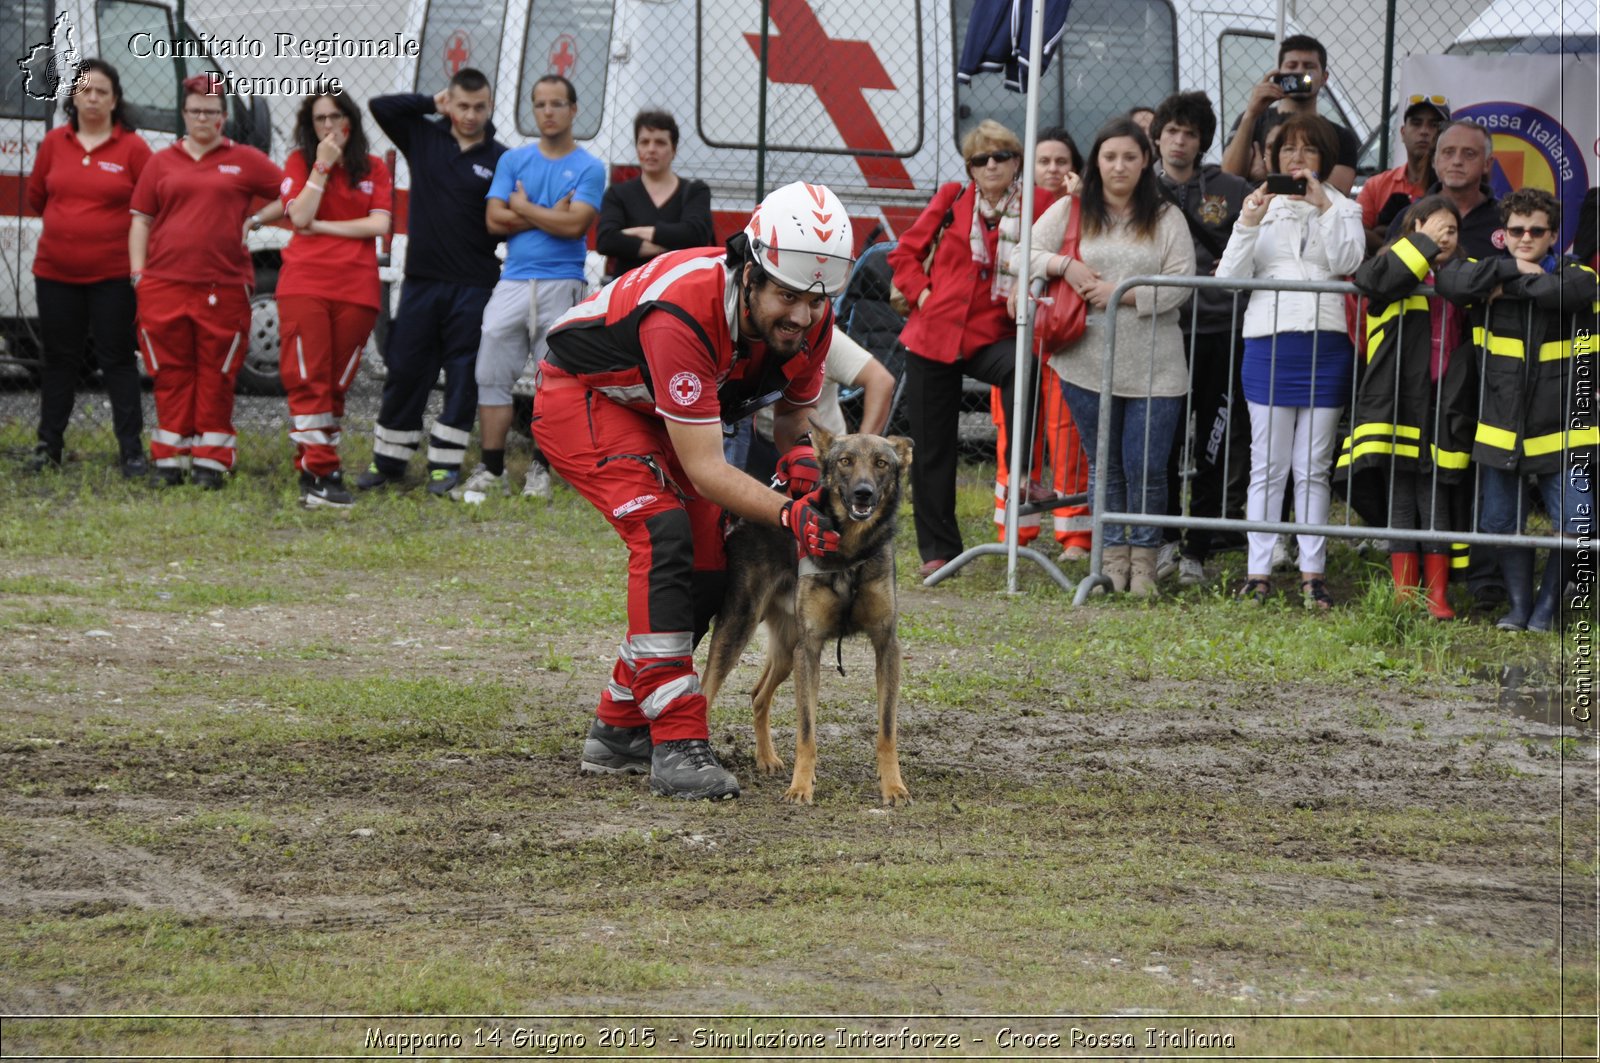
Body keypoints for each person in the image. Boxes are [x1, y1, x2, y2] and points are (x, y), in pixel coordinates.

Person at [536, 182, 854, 800]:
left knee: (714, 562)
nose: (801, 315)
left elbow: (792, 420)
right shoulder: (686, 309)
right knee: (663, 531)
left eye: (815, 300)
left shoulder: (812, 314)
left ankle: (622, 725)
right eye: (787, 295)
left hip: (661, 415)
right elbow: (708, 468)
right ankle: (677, 739)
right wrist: (793, 515)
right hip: (585, 396)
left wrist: (803, 469)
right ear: (750, 271)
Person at [1018, 117, 1195, 596]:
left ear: (1145, 163)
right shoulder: (1072, 209)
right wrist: (1064, 264)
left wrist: (1125, 292)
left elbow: (1181, 280)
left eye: (1130, 157)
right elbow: (1020, 254)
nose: (1119, 166)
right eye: (1110, 156)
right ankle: (1110, 559)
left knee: (1146, 467)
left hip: (1156, 365)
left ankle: (1144, 563)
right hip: (1086, 361)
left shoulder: (1165, 218)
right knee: (1105, 465)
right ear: (1096, 161)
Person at [888, 119, 1052, 578]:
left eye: (1001, 156)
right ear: (971, 168)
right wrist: (922, 296)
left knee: (1025, 368)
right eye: (981, 159)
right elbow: (903, 255)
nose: (992, 164)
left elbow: (1071, 232)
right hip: (933, 333)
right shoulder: (952, 199)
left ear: (1017, 162)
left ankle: (1022, 474)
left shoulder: (1039, 204)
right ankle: (939, 551)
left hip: (993, 333)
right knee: (933, 447)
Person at [1215, 113, 1364, 608]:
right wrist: (1247, 222)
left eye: (1308, 150)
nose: (1296, 158)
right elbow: (1230, 278)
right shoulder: (1257, 204)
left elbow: (1348, 263)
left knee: (1313, 466)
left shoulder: (1343, 205)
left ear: (1324, 159)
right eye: (1286, 150)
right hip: (1269, 342)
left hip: (1326, 345)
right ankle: (1258, 571)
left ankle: (1312, 573)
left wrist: (1324, 208)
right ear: (1271, 159)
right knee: (1268, 465)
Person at [1438, 188, 1599, 632]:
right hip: (1501, 426)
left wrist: (1508, 282)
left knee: (1575, 521)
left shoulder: (1578, 272)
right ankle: (1518, 609)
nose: (1525, 237)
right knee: (1501, 523)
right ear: (1502, 234)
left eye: (1536, 231)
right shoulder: (1482, 272)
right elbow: (1450, 281)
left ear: (1553, 235)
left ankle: (1546, 610)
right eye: (1516, 231)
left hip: (1564, 428)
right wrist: (1513, 269)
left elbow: (1566, 292)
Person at [356, 69, 507, 495]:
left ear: (490, 106)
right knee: (405, 370)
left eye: (479, 107)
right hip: (422, 282)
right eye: (462, 105)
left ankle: (445, 468)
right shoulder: (424, 138)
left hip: (474, 285)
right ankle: (388, 462)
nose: (470, 115)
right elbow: (380, 106)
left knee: (463, 377)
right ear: (450, 103)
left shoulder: (502, 158)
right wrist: (429, 102)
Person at [455, 74, 604, 502]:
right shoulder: (514, 161)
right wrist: (543, 212)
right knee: (491, 373)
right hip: (513, 279)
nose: (549, 112)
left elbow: (576, 224)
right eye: (540, 104)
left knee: (553, 382)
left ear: (574, 110)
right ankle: (492, 467)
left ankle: (542, 468)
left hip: (562, 283)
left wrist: (520, 206)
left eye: (558, 103)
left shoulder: (590, 166)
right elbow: (493, 221)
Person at [128, 74, 281, 488]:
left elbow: (292, 192)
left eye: (211, 112)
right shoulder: (161, 162)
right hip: (164, 285)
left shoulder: (246, 160)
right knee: (170, 372)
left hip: (224, 287)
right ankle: (169, 459)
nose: (203, 118)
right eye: (195, 111)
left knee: (217, 373)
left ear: (223, 117)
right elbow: (141, 219)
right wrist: (139, 274)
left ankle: (211, 461)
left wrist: (256, 218)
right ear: (184, 114)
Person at [1339, 195, 1472, 619]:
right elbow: (1374, 281)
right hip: (1399, 402)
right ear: (1413, 227)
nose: (1445, 237)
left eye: (1451, 230)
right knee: (1401, 498)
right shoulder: (1391, 267)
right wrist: (1422, 247)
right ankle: (1403, 592)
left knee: (1435, 499)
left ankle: (1436, 595)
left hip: (1443, 401)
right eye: (1436, 228)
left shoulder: (1461, 275)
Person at [24, 59, 151, 478]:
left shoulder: (134, 149)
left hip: (113, 277)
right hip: (55, 274)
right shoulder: (53, 144)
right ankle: (49, 447)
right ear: (73, 97)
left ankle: (131, 452)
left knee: (117, 361)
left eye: (102, 92)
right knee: (60, 360)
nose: (93, 97)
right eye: (85, 90)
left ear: (115, 101)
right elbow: (38, 199)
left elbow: (149, 209)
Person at [270, 92, 393, 508]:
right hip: (306, 284)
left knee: (334, 386)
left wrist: (324, 226)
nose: (328, 125)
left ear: (350, 121)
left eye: (335, 117)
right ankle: (325, 471)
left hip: (357, 289)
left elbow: (379, 222)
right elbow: (298, 216)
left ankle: (311, 469)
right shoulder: (299, 162)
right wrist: (321, 165)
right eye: (319, 119)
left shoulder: (373, 168)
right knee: (308, 377)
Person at [1150, 91, 1251, 587]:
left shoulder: (1232, 189)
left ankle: (1199, 550)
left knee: (1212, 441)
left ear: (1202, 141)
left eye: (1189, 133)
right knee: (1165, 440)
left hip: (1221, 330)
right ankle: (1167, 539)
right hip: (1163, 331)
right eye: (1172, 130)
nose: (1180, 140)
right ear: (1158, 136)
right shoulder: (1140, 187)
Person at [991, 126, 1093, 560]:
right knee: (1014, 436)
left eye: (1061, 161)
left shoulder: (1090, 207)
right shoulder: (1009, 206)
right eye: (1044, 161)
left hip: (1067, 334)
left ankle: (1076, 536)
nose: (1052, 169)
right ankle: (1016, 529)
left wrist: (1080, 200)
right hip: (1013, 335)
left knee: (1068, 434)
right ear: (1029, 167)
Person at [1220, 34, 1361, 194]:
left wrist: (1265, 178)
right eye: (1292, 66)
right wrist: (1251, 113)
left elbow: (1333, 196)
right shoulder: (1253, 120)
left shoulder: (1341, 137)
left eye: (1309, 66)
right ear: (1279, 74)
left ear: (1324, 78)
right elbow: (1228, 179)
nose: (1300, 72)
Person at [596, 110, 713, 282]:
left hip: (677, 289)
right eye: (644, 142)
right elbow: (606, 240)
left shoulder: (695, 191)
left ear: (673, 149)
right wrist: (668, 248)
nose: (651, 149)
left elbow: (695, 234)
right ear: (637, 147)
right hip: (629, 292)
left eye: (660, 143)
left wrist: (641, 232)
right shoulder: (617, 194)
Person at [1389, 120, 1503, 258]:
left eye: (1469, 153)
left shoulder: (1506, 219)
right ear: (1434, 161)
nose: (1457, 161)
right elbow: (1389, 273)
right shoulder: (1408, 217)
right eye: (1448, 152)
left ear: (1487, 163)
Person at [1356, 94, 1446, 254]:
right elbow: (1356, 234)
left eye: (1433, 125)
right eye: (1416, 123)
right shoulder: (1376, 185)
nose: (1424, 131)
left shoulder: (1453, 185)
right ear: (1403, 133)